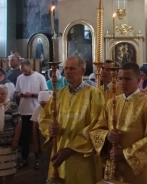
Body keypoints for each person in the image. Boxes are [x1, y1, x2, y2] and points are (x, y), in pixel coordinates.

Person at [90, 62, 147, 183]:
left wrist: (126, 154)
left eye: (127, 79)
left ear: (138, 80)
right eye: (120, 78)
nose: (122, 82)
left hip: (139, 171)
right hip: (114, 166)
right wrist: (107, 136)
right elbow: (96, 130)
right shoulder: (112, 103)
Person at [39, 55, 104, 183]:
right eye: (66, 68)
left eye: (72, 68)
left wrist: (71, 149)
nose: (68, 71)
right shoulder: (58, 94)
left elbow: (97, 126)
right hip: (58, 154)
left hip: (82, 156)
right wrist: (49, 129)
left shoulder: (93, 94)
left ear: (83, 71)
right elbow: (45, 118)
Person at [15, 59, 48, 168]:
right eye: (22, 71)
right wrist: (20, 94)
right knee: (24, 137)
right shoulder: (20, 78)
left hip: (35, 110)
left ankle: (38, 159)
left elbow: (45, 93)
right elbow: (16, 91)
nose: (24, 73)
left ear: (29, 66)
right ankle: (24, 159)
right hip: (23, 111)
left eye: (25, 70)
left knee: (36, 137)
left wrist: (32, 94)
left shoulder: (39, 77)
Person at [0, 85, 21, 184]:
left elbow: (18, 123)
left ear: (7, 94)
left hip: (9, 144)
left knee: (9, 171)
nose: (0, 96)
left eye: (2, 94)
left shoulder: (12, 105)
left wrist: (15, 141)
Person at [31, 91, 52, 180]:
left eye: (45, 104)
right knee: (43, 161)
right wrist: (36, 144)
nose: (43, 106)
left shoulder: (56, 107)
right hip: (42, 137)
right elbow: (35, 127)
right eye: (41, 104)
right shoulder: (38, 108)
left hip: (53, 137)